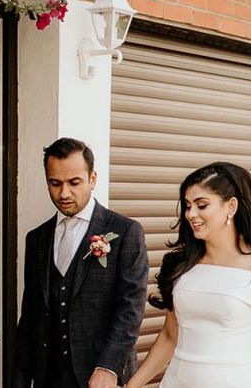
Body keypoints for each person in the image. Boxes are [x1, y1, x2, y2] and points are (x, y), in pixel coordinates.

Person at [125, 162, 251, 388]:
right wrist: (131, 386)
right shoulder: (182, 264)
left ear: (231, 206)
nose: (191, 214)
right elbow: (170, 335)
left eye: (202, 205)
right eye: (188, 206)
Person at [13, 137, 149, 388]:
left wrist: (108, 366)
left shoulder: (125, 231)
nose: (64, 193)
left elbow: (131, 309)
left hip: (100, 375)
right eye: (55, 183)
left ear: (93, 179)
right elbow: (30, 316)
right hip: (49, 376)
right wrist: (20, 379)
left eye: (74, 182)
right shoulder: (36, 239)